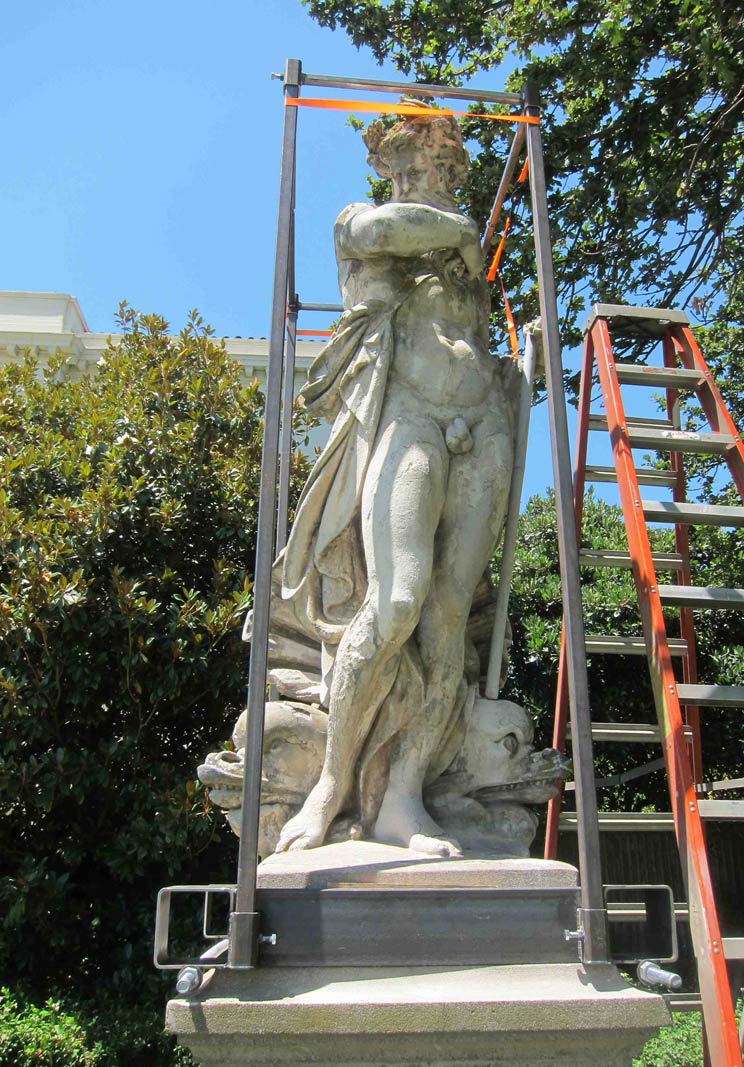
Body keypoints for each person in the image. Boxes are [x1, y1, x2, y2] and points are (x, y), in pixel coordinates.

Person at [274, 103, 514, 857]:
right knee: (398, 600)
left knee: (448, 621)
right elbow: (380, 233)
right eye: (403, 164)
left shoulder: (467, 265)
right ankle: (332, 784)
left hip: (481, 426)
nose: (414, 176)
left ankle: (404, 795)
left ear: (453, 168)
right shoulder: (365, 223)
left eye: (431, 163)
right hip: (407, 419)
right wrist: (462, 234)